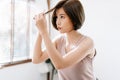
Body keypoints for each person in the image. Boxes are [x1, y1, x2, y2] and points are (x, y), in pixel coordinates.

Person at [32, 0, 96, 80]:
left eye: (62, 17)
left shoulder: (88, 43)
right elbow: (36, 59)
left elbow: (60, 64)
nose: (58, 22)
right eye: (57, 17)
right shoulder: (59, 41)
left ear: (74, 18)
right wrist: (40, 31)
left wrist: (44, 32)